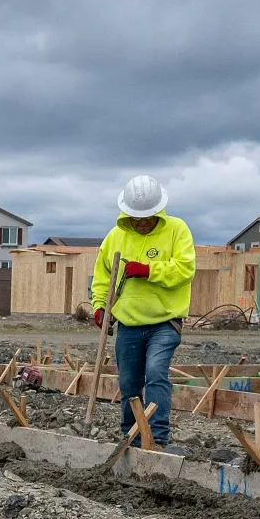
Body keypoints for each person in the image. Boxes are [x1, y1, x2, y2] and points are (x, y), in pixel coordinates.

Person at [90, 175, 195, 446]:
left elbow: (185, 269)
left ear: (158, 211)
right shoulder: (115, 237)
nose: (141, 222)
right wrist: (100, 306)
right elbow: (103, 277)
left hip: (165, 322)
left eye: (147, 217)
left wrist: (149, 270)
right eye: (136, 217)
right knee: (128, 383)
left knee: (156, 372)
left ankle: (156, 437)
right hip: (128, 323)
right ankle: (132, 436)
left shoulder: (177, 230)